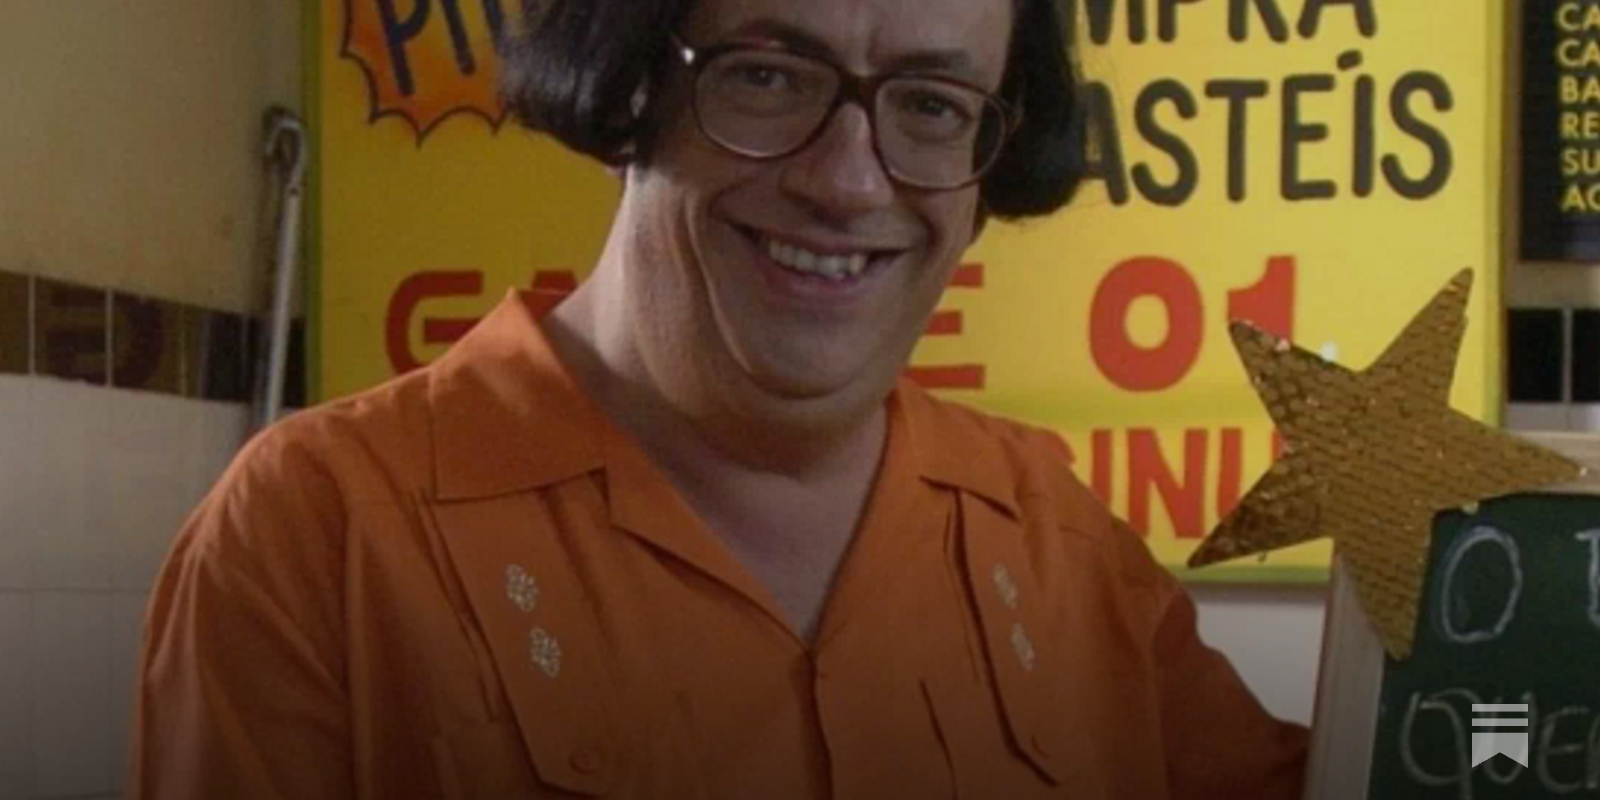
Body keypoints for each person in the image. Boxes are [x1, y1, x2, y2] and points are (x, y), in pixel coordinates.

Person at [129, 0, 1311, 797]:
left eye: (931, 105)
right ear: (627, 91)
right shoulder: (317, 537)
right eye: (766, 76)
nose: (848, 182)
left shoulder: (1061, 541)